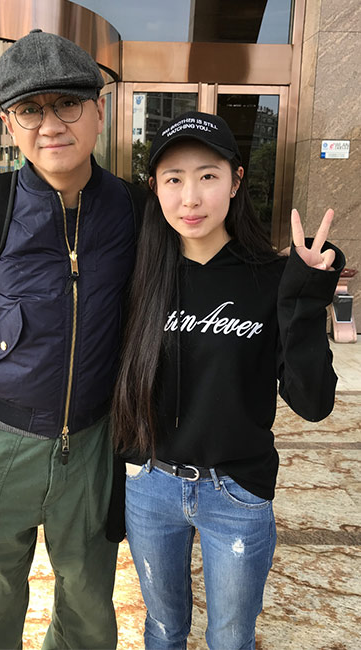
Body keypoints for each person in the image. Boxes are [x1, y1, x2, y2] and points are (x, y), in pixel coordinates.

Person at [0, 30, 137, 650]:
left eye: (67, 103)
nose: (51, 125)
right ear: (8, 124)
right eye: (29, 109)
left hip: (92, 444)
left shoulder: (133, 209)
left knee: (89, 607)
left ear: (99, 110)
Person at [112, 111, 344, 650]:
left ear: (236, 181)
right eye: (173, 179)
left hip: (236, 493)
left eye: (208, 176)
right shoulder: (141, 274)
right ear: (155, 188)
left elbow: (312, 403)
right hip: (152, 486)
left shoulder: (270, 278)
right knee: (163, 628)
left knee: (231, 637)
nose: (190, 198)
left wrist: (306, 300)